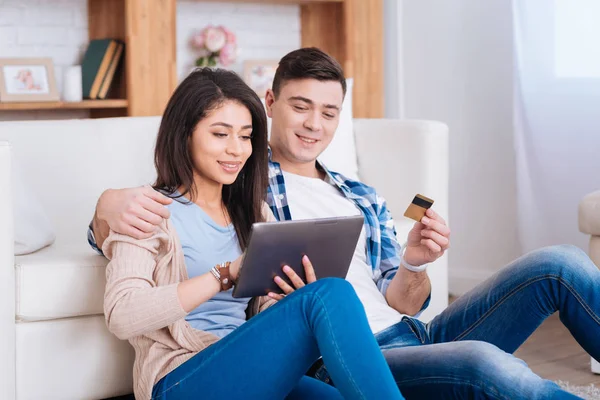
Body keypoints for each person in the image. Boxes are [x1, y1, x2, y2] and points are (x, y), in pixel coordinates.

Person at [89, 49, 598, 399]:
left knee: (561, 263)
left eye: (329, 113)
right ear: (271, 106)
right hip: (328, 349)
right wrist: (105, 206)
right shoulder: (253, 182)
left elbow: (396, 298)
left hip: (409, 330)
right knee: (492, 367)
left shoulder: (350, 196)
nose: (314, 124)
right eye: (301, 107)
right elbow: (127, 264)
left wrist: (414, 265)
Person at [99, 67, 404, 400]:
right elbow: (122, 315)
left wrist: (284, 300)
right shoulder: (146, 210)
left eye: (245, 136)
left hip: (250, 371)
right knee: (331, 293)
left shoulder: (255, 212)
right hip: (180, 379)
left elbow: (255, 317)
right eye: (220, 134)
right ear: (184, 133)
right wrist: (224, 275)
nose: (237, 149)